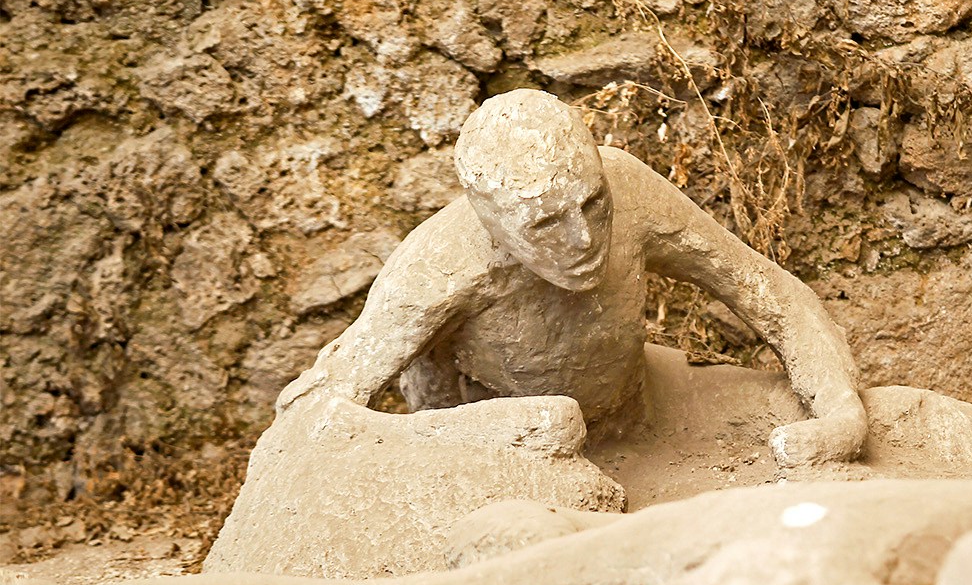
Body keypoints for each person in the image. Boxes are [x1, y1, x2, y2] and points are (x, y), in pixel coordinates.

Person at [277, 89, 868, 468]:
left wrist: (842, 413)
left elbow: (770, 293)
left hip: (636, 423)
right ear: (494, 228)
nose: (584, 240)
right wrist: (488, 436)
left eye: (592, 203)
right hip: (499, 460)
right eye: (545, 224)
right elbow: (316, 411)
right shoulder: (439, 266)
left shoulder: (629, 189)